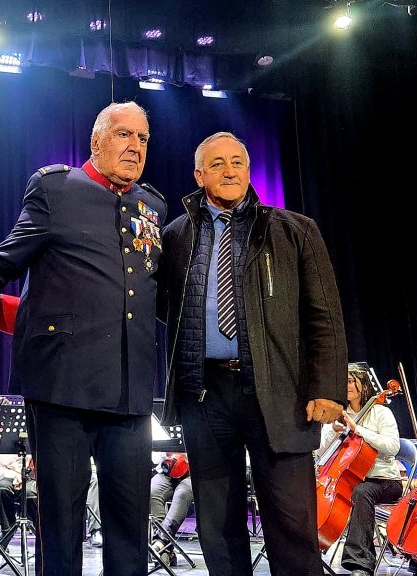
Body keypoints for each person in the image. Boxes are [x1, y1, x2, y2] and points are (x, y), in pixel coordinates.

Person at [0, 101, 167, 576]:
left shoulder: (152, 204)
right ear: (97, 142)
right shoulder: (57, 188)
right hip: (62, 386)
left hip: (130, 391)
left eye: (143, 138)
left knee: (130, 527)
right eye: (124, 135)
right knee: (60, 527)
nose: (135, 146)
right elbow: (3, 264)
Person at [159, 131, 348, 576]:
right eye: (218, 163)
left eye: (238, 162)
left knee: (292, 525)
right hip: (204, 395)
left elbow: (325, 315)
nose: (229, 171)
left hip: (280, 391)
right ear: (199, 174)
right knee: (217, 528)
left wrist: (326, 386)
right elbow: (165, 308)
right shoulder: (175, 236)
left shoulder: (294, 229)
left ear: (248, 170)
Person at [316, 365, 403, 576]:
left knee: (362, 492)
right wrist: (333, 433)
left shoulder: (381, 412)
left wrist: (359, 430)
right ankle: (308, 551)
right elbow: (319, 453)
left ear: (363, 384)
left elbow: (393, 447)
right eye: (343, 382)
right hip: (351, 481)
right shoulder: (339, 415)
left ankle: (360, 564)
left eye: (351, 381)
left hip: (385, 481)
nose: (347, 386)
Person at [149, 452, 193, 566]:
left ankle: (160, 541)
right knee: (151, 492)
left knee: (182, 494)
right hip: (167, 471)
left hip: (192, 473)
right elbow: (155, 457)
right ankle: (166, 549)